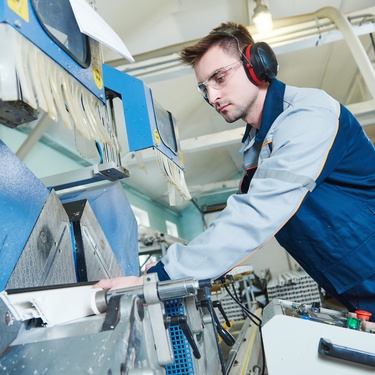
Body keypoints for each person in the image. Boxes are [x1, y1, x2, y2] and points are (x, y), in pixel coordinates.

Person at [96, 21, 375, 319]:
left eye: (219, 77)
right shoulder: (256, 144)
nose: (212, 97)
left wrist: (160, 277)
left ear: (257, 64)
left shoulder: (308, 115)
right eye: (204, 88)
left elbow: (257, 213)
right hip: (355, 290)